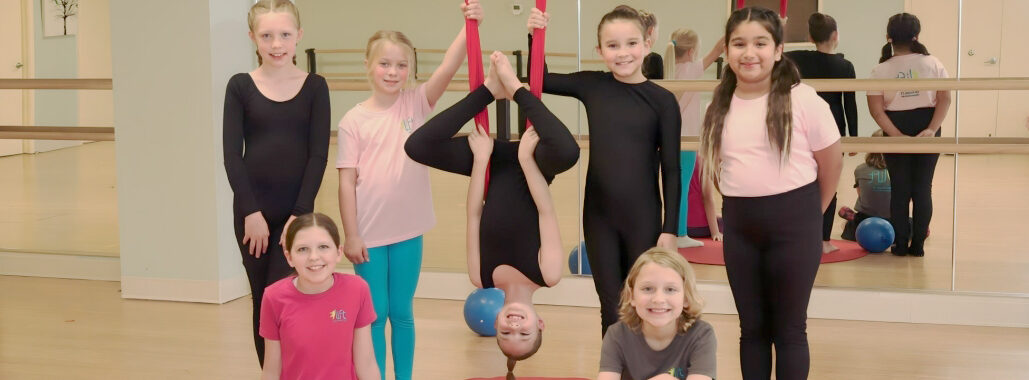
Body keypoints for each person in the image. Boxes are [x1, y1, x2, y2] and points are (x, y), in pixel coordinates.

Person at [405, 52, 579, 376]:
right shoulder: (548, 274)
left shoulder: (480, 276)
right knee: (568, 152)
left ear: (496, 323)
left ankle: (488, 89)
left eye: (506, 332)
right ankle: (514, 88)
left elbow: (473, 215)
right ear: (540, 323)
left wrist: (482, 159)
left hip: (490, 165)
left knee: (417, 146)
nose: (514, 326)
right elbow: (546, 210)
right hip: (534, 167)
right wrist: (526, 160)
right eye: (524, 333)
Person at [334, 3, 483, 379]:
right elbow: (345, 182)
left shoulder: (417, 103)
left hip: (408, 229)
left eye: (401, 65)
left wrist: (470, 23)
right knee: (374, 313)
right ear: (368, 65)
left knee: (401, 311)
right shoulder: (354, 120)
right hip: (367, 233)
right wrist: (351, 234)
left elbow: (450, 66)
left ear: (411, 70)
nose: (393, 72)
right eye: (385, 63)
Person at [699, 7, 842, 379]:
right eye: (739, 44)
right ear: (726, 51)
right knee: (753, 330)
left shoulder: (804, 99)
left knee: (790, 330)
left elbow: (832, 164)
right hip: (741, 228)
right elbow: (722, 167)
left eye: (760, 43)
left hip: (794, 223)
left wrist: (812, 214)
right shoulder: (720, 102)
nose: (749, 53)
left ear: (778, 50)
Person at [527, 4, 682, 336]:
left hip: (644, 219)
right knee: (610, 308)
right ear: (600, 51)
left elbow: (671, 169)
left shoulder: (663, 102)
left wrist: (670, 229)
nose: (622, 53)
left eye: (631, 43)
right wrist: (535, 36)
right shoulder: (593, 86)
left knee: (641, 306)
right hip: (599, 218)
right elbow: (540, 79)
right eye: (613, 46)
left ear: (647, 43)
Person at [222, 0, 330, 365]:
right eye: (267, 35)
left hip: (296, 215)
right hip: (252, 214)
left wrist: (298, 217)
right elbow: (232, 155)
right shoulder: (240, 86)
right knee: (263, 298)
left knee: (287, 297)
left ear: (299, 36)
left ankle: (298, 370)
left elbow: (318, 156)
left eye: (284, 34)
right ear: (253, 38)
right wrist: (251, 211)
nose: (276, 43)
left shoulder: (315, 86)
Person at [867, 12, 950, 257]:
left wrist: (895, 135)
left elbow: (877, 111)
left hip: (896, 126)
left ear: (888, 38)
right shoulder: (933, 63)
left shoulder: (879, 69)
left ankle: (900, 245)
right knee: (923, 189)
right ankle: (919, 247)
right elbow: (945, 99)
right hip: (927, 124)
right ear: (916, 36)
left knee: (900, 189)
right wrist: (932, 130)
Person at [260, 213, 379, 380]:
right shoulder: (273, 297)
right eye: (302, 249)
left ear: (338, 252)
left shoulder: (358, 289)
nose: (314, 257)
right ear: (289, 257)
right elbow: (271, 370)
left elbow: (366, 363)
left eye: (323, 247)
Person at [785, 12, 860, 253]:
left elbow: (778, 52)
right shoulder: (845, 65)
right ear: (835, 36)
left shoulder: (796, 59)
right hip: (832, 128)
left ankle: (798, 233)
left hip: (801, 126)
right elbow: (850, 103)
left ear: (809, 36)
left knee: (802, 181)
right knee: (829, 183)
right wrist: (853, 137)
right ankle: (823, 240)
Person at [599, 247, 716, 380]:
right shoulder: (616, 335)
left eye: (670, 289)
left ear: (686, 298)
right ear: (632, 296)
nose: (658, 299)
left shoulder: (701, 334)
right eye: (648, 289)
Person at [663, 28, 726, 248]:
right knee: (682, 186)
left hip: (670, 139)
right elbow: (718, 49)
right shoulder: (692, 69)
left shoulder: (670, 70)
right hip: (687, 140)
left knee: (675, 186)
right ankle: (680, 234)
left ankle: (675, 231)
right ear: (690, 52)